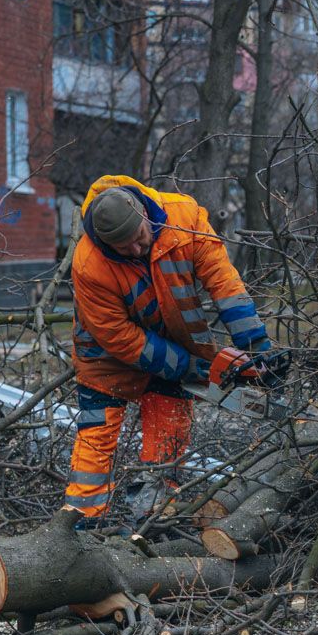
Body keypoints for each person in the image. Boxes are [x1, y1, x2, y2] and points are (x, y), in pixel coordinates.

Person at [62, 175, 272, 527]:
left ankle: (152, 515)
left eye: (138, 239)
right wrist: (187, 365)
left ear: (145, 215)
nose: (135, 250)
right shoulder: (88, 262)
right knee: (97, 435)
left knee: (168, 427)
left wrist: (255, 344)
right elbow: (118, 336)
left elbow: (224, 282)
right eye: (123, 248)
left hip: (173, 338)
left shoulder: (184, 217)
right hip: (104, 356)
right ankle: (79, 524)